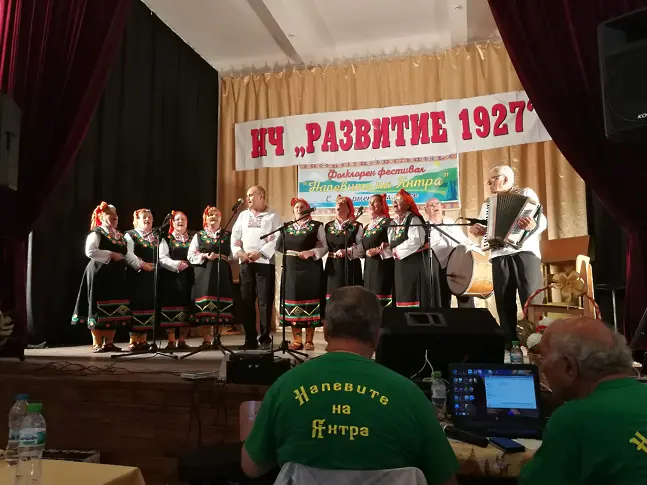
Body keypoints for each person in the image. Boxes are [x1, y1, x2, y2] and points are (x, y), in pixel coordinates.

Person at [242, 286, 459, 485]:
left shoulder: (285, 387)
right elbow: (446, 480)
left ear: (326, 330)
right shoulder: (410, 396)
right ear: (376, 336)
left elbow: (251, 467)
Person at [520, 316, 647, 485]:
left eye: (544, 359)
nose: (542, 368)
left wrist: (537, 461)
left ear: (568, 367)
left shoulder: (572, 419)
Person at [470, 166, 547, 347]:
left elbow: (541, 220)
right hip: (499, 254)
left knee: (531, 298)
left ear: (505, 179)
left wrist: (532, 225)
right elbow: (484, 230)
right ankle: (509, 344)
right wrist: (477, 230)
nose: (489, 183)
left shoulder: (526, 193)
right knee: (504, 302)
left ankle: (536, 344)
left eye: (492, 179)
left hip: (525, 252)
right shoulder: (488, 204)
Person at [72, 202, 131, 353]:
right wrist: (110, 254)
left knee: (114, 305)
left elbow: (127, 254)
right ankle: (97, 342)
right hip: (99, 272)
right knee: (97, 305)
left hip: (116, 275)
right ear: (101, 217)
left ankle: (109, 342)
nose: (114, 217)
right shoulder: (97, 233)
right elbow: (90, 251)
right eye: (110, 214)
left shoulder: (120, 236)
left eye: (115, 215)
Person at [231, 185, 281, 350]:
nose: (248, 199)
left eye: (251, 195)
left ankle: (265, 338)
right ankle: (250, 339)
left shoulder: (272, 215)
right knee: (246, 301)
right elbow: (235, 236)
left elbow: (276, 237)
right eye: (247, 195)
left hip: (264, 263)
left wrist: (260, 253)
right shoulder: (243, 215)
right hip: (246, 263)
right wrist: (240, 252)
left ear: (261, 196)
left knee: (265, 301)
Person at [277, 198, 327, 351]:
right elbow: (278, 246)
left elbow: (325, 246)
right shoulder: (286, 227)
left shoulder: (316, 226)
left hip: (310, 268)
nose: (299, 209)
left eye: (302, 206)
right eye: (296, 207)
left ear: (308, 209)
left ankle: (309, 340)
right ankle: (297, 340)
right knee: (293, 300)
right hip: (291, 269)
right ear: (293, 210)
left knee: (309, 301)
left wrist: (312, 252)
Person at [188, 206, 235, 350]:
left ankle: (217, 338)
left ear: (221, 219)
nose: (213, 217)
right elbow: (190, 255)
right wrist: (204, 255)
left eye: (216, 215)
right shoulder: (199, 236)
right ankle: (206, 340)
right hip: (204, 274)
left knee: (220, 304)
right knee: (206, 307)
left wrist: (223, 257)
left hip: (222, 273)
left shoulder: (228, 235)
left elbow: (234, 254)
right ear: (205, 219)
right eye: (210, 215)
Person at [388, 189, 440, 308]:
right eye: (393, 200)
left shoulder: (413, 218)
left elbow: (416, 240)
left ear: (408, 204)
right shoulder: (394, 222)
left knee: (412, 295)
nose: (395, 202)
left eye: (399, 200)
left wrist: (396, 251)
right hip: (401, 265)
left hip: (414, 264)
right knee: (403, 294)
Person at [424, 198, 475, 309]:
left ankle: (469, 319)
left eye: (437, 204)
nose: (435, 206)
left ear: (441, 207)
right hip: (440, 268)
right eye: (431, 205)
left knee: (465, 297)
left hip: (459, 264)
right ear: (426, 210)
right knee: (443, 300)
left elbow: (463, 240)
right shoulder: (425, 227)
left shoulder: (450, 221)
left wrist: (474, 247)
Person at [159, 210, 193, 350]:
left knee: (187, 307)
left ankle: (182, 340)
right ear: (172, 222)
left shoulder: (193, 239)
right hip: (171, 278)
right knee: (171, 306)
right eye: (177, 219)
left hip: (189, 277)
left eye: (183, 219)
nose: (180, 221)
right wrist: (177, 264)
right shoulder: (166, 238)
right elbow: (162, 258)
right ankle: (171, 340)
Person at [324, 195, 364, 300]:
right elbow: (324, 245)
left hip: (350, 265)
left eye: (342, 203)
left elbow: (362, 247)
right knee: (333, 296)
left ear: (349, 208)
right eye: (337, 203)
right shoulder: (328, 226)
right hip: (333, 265)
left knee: (351, 296)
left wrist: (348, 251)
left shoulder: (356, 226)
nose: (339, 205)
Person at [361, 194, 394, 307]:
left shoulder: (389, 222)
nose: (371, 205)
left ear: (382, 205)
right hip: (369, 267)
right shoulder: (367, 227)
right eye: (369, 202)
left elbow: (395, 245)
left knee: (381, 295)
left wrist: (378, 250)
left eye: (375, 202)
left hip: (383, 266)